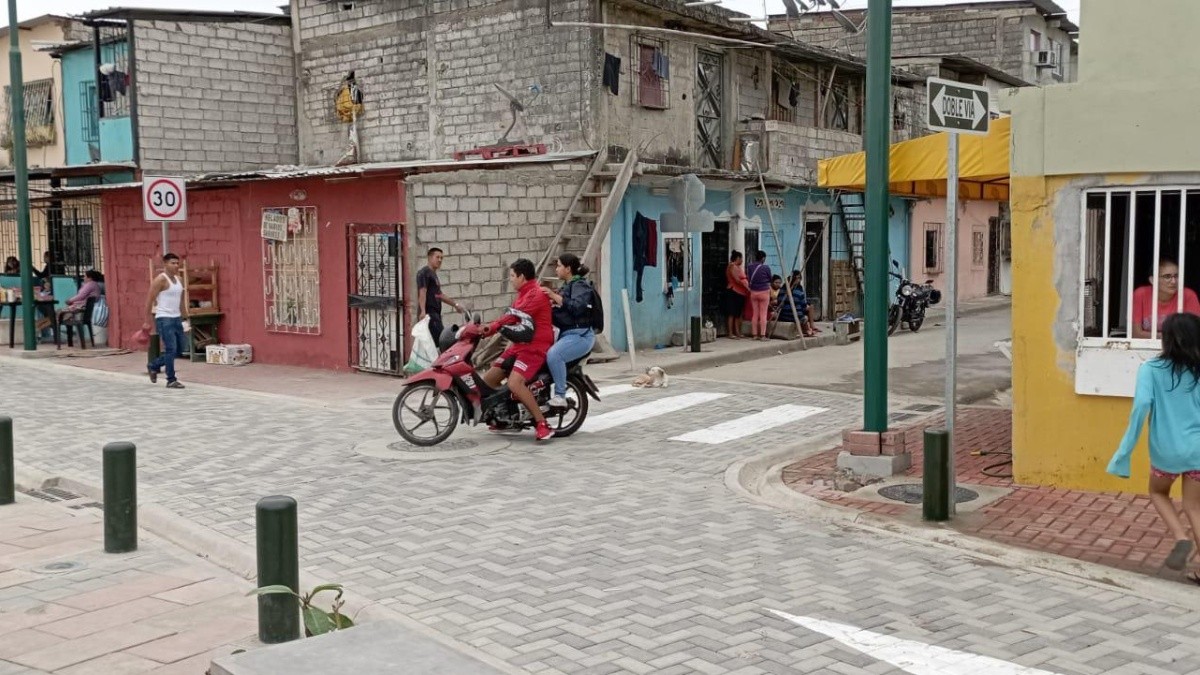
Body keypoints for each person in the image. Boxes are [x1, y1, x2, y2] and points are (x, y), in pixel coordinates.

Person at [1109, 313, 1200, 582]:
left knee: (1158, 492)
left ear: (1167, 340)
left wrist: (1123, 452)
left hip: (1166, 452)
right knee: (1194, 507)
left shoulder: (1150, 370)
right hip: (1197, 452)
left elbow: (1140, 410)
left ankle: (1180, 537)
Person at [480, 258, 556, 441]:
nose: (511, 279)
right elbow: (510, 316)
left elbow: (514, 317)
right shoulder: (522, 293)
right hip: (520, 345)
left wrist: (492, 327)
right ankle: (507, 415)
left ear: (522, 276)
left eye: (513, 276)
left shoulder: (536, 294)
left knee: (515, 383)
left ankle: (542, 423)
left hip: (535, 347)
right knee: (489, 378)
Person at [541, 253, 597, 409]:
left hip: (580, 335)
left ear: (568, 268)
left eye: (559, 266)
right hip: (567, 335)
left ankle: (560, 396)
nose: (556, 269)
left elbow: (576, 307)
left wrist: (553, 296)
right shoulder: (567, 286)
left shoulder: (580, 285)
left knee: (554, 355)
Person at [144, 253, 190, 389]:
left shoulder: (179, 280)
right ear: (165, 264)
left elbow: (181, 301)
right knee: (171, 348)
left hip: (177, 318)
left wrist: (186, 318)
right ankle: (171, 379)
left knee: (180, 348)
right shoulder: (160, 280)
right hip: (164, 318)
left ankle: (153, 365)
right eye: (173, 263)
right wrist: (146, 320)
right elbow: (149, 300)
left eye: (177, 263)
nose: (176, 265)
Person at [1132, 258, 1200, 338]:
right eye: (1167, 277)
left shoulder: (1188, 295)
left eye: (1176, 276)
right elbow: (1135, 334)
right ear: (1152, 280)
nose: (1173, 281)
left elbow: (1194, 332)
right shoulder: (1140, 294)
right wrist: (1172, 337)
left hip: (1179, 348)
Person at [416, 247, 461, 346]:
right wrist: (423, 311)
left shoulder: (433, 275)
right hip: (429, 314)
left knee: (435, 344)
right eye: (437, 257)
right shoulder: (424, 273)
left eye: (441, 258)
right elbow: (422, 291)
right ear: (430, 258)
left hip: (435, 314)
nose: (440, 260)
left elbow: (439, 295)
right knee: (442, 341)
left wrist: (455, 305)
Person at [778, 271, 819, 338]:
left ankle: (810, 328)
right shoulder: (798, 291)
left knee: (805, 310)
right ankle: (808, 330)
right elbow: (803, 306)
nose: (799, 280)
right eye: (798, 278)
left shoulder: (782, 288)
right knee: (804, 317)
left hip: (782, 315)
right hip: (792, 316)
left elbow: (778, 302)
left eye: (799, 278)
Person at [746, 250, 772, 340]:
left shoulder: (749, 267)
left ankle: (754, 335)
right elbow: (770, 278)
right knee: (763, 314)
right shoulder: (766, 268)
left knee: (755, 314)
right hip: (764, 292)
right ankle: (762, 335)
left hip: (753, 292)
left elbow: (748, 278)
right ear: (763, 258)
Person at [723, 251, 749, 339]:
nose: (742, 260)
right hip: (734, 291)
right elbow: (737, 280)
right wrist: (747, 287)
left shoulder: (738, 267)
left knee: (738, 314)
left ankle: (737, 332)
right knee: (732, 313)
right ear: (738, 258)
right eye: (741, 258)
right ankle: (730, 333)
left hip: (740, 292)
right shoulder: (732, 266)